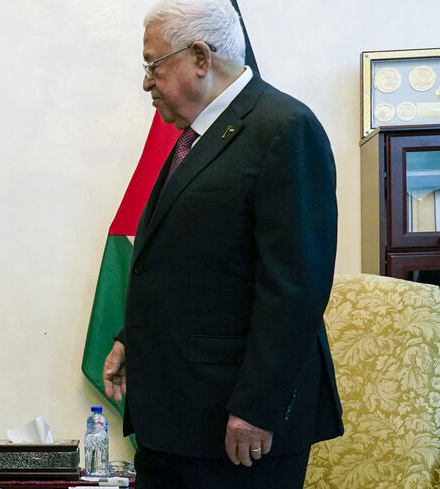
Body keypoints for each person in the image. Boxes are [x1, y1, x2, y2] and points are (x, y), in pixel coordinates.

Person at [101, 0, 342, 487]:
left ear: (200, 57)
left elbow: (295, 286)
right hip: (174, 419)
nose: (146, 81)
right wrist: (134, 337)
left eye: (153, 65)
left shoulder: (283, 128)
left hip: (237, 429)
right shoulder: (196, 139)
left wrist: (257, 407)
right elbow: (193, 266)